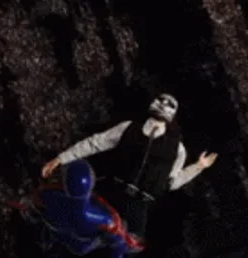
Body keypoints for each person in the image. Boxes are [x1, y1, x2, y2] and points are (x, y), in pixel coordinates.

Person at [41, 93, 218, 239]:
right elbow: (95, 143)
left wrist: (197, 167)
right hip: (112, 190)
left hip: (138, 205)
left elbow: (172, 182)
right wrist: (61, 159)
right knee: (75, 216)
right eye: (161, 101)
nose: (163, 105)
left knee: (130, 244)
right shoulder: (128, 128)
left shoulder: (177, 150)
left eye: (168, 105)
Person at [0, 160, 143, 258]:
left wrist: (13, 201)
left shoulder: (50, 196)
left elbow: (31, 201)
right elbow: (118, 242)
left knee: (53, 250)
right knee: (117, 233)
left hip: (58, 232)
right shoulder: (104, 218)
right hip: (81, 244)